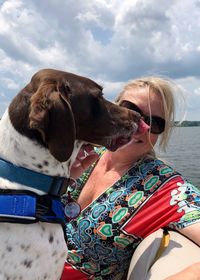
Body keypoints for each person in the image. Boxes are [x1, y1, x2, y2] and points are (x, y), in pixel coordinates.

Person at [61, 77, 200, 280]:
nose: (139, 126)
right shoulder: (79, 153)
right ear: (112, 108)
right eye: (129, 111)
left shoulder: (165, 188)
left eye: (154, 122)